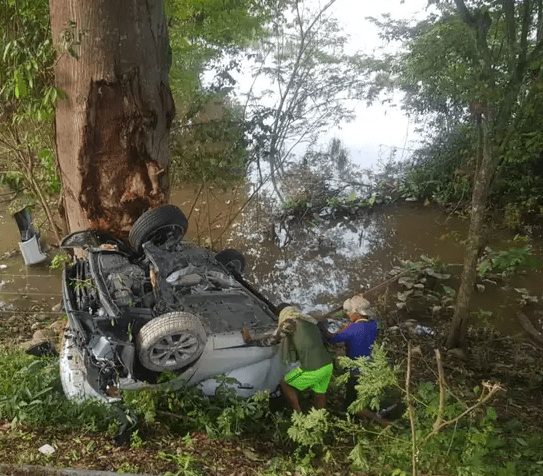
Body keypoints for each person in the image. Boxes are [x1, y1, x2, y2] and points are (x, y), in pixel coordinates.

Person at [243, 304, 333, 412]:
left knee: (285, 383)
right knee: (319, 394)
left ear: (281, 314)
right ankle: (320, 417)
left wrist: (249, 340)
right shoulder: (309, 321)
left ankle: (298, 415)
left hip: (312, 368)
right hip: (327, 364)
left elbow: (271, 340)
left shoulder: (289, 323)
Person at [326, 296, 382, 422]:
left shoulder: (352, 329)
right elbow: (373, 318)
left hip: (357, 373)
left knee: (352, 405)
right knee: (364, 400)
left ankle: (382, 422)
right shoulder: (373, 325)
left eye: (349, 311)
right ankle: (366, 420)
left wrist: (342, 328)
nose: (347, 314)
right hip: (372, 369)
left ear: (357, 314)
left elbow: (333, 339)